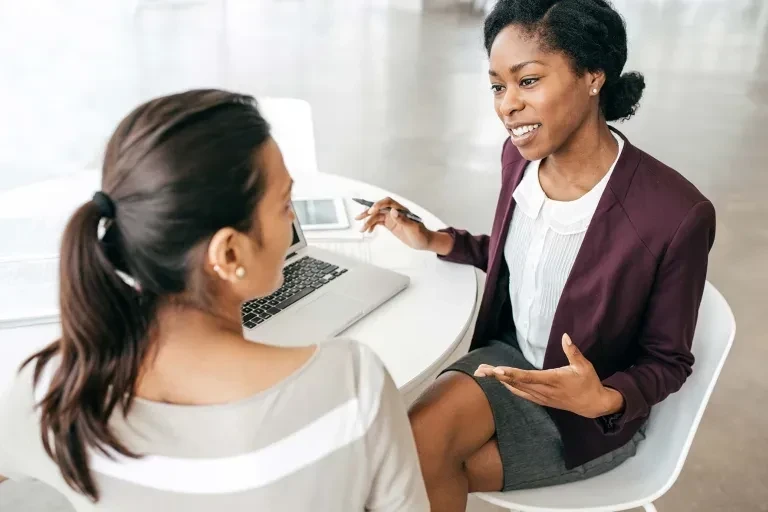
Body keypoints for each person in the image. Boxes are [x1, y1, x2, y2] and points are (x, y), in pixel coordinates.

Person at [357, 0, 716, 510]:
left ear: (593, 76)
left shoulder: (675, 213)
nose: (507, 105)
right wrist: (437, 240)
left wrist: (603, 399)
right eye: (497, 86)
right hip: (509, 359)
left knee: (409, 467)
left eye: (527, 81)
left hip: (588, 415)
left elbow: (668, 361)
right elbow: (526, 256)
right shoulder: (520, 158)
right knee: (399, 457)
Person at [0, 90, 428, 511]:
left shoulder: (54, 391)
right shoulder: (353, 384)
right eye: (283, 204)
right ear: (228, 254)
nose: (293, 219)